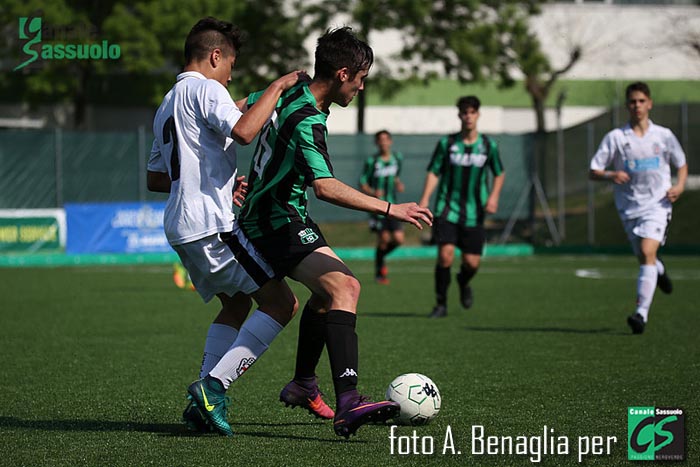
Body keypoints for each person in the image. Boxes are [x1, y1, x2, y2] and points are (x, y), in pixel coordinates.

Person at [238, 27, 433, 438]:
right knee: (345, 287)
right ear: (343, 73)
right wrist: (390, 208)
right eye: (362, 78)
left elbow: (234, 113)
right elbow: (325, 186)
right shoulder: (308, 119)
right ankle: (349, 401)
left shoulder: (290, 90)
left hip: (285, 215)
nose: (362, 87)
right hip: (273, 222)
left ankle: (303, 384)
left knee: (330, 294)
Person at [147, 16, 309, 436]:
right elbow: (244, 130)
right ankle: (212, 389)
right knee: (281, 304)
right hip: (211, 225)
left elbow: (155, 177)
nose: (231, 75)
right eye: (231, 66)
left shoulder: (167, 102)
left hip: (180, 226)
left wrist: (216, 178)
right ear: (215, 56)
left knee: (236, 305)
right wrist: (276, 87)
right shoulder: (206, 88)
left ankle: (200, 402)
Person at [589, 81, 687, 335]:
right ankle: (660, 271)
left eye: (641, 101)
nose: (637, 106)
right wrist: (611, 174)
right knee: (646, 258)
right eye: (633, 102)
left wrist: (680, 185)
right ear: (627, 106)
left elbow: (681, 163)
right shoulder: (617, 138)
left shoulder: (663, 135)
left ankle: (640, 315)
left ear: (650, 104)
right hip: (629, 208)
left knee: (646, 251)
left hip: (658, 204)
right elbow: (593, 170)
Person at [419, 95, 505, 318]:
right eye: (464, 112)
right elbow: (434, 171)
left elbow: (499, 172)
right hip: (447, 209)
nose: (468, 116)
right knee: (445, 256)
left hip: (474, 213)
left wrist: (494, 197)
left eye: (472, 112)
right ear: (459, 115)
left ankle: (463, 281)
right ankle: (441, 304)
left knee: (472, 263)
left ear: (478, 115)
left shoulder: (488, 145)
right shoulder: (447, 144)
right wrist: (425, 199)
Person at [359, 130, 405, 284]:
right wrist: (373, 191)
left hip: (393, 205)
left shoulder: (397, 158)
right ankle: (380, 272)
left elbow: (396, 174)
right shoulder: (372, 161)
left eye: (386, 139)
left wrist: (397, 182)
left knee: (399, 239)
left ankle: (381, 257)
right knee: (384, 239)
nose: (384, 142)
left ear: (390, 141)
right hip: (378, 208)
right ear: (376, 143)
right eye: (380, 140)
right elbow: (362, 182)